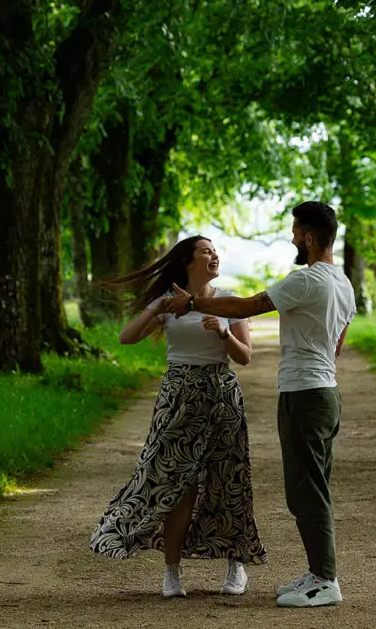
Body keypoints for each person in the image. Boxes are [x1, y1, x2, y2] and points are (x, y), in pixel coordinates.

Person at [160, 201, 355, 608]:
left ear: (310, 237)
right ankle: (318, 571)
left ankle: (325, 579)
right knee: (311, 486)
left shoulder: (306, 281)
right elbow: (337, 345)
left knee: (307, 491)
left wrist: (192, 305)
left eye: (296, 233)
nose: (292, 239)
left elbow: (247, 306)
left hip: (304, 394)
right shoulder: (344, 283)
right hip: (326, 391)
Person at [89, 236, 267, 598]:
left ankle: (236, 566)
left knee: (227, 479)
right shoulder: (167, 302)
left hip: (220, 395)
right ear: (188, 261)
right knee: (175, 483)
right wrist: (157, 310)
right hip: (178, 397)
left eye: (216, 251)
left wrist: (223, 331)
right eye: (206, 251)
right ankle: (172, 573)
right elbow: (126, 337)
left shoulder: (228, 300)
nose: (214, 255)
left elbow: (245, 356)